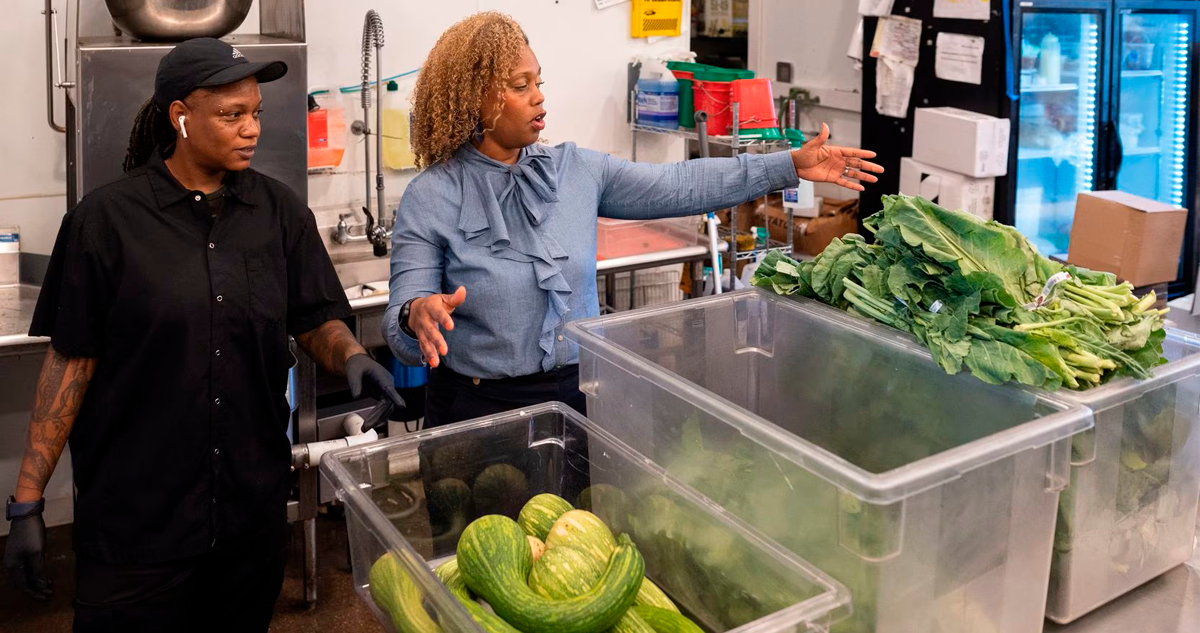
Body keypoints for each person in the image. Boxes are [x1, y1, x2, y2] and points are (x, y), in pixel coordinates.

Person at [2, 38, 404, 631]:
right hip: (137, 526)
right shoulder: (104, 222)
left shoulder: (279, 213)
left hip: (249, 517)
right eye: (232, 115)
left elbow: (315, 317)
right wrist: (29, 501)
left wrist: (350, 356)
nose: (251, 130)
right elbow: (70, 364)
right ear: (180, 116)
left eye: (257, 113)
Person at [385, 12, 882, 428]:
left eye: (539, 82)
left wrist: (787, 164)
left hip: (579, 400)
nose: (539, 96)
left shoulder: (576, 170)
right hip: (476, 412)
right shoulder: (430, 197)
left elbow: (682, 184)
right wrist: (417, 315)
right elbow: (402, 321)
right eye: (521, 85)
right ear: (476, 98)